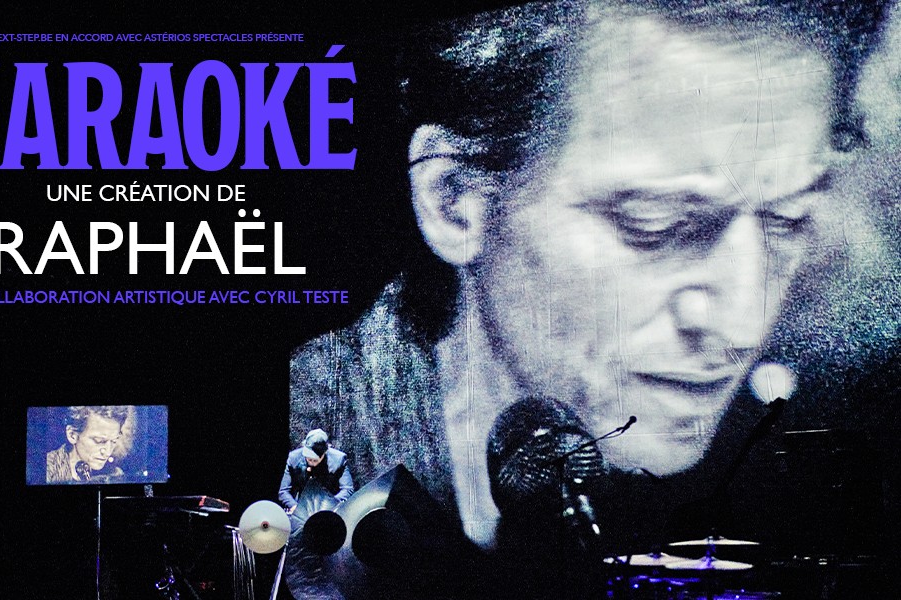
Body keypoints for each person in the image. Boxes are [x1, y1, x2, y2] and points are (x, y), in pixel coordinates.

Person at [290, 0, 900, 596]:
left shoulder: (770, 478)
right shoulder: (311, 439)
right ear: (455, 201)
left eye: (787, 220)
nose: (743, 324)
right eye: (653, 223)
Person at [46, 405, 130, 484]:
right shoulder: (47, 470)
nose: (108, 452)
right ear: (72, 435)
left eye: (114, 441)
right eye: (99, 441)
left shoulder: (115, 474)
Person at [278, 428, 355, 512]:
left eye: (315, 460)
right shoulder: (293, 458)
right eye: (308, 459)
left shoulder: (339, 460)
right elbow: (283, 491)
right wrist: (294, 506)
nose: (311, 463)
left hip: (329, 507)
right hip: (301, 507)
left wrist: (330, 505)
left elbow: (347, 489)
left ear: (324, 453)